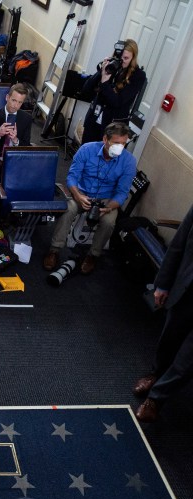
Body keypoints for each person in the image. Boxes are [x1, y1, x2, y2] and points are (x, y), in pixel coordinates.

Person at [42, 122, 136, 275]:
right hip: (82, 192)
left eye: (124, 143)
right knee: (69, 209)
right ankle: (55, 249)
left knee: (109, 221)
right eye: (116, 143)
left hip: (107, 199)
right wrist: (78, 196)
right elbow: (72, 177)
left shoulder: (129, 161)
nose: (120, 147)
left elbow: (122, 192)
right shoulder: (87, 149)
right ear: (105, 139)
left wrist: (110, 207)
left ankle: (93, 255)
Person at [133, 203, 193, 423]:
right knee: (169, 339)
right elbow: (178, 246)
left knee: (187, 360)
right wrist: (163, 284)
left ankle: (156, 399)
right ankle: (155, 374)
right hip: (186, 291)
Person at [81, 39, 146, 144]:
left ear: (133, 58)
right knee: (86, 155)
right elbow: (86, 89)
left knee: (105, 159)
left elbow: (117, 102)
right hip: (93, 122)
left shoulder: (138, 76)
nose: (122, 61)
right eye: (120, 57)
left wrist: (105, 83)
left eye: (126, 58)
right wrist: (102, 72)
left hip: (113, 130)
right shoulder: (112, 66)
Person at [0, 83, 33, 178]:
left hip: (15, 163)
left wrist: (16, 140)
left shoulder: (27, 119)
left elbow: (27, 146)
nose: (15, 105)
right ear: (7, 97)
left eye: (20, 102)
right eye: (13, 100)